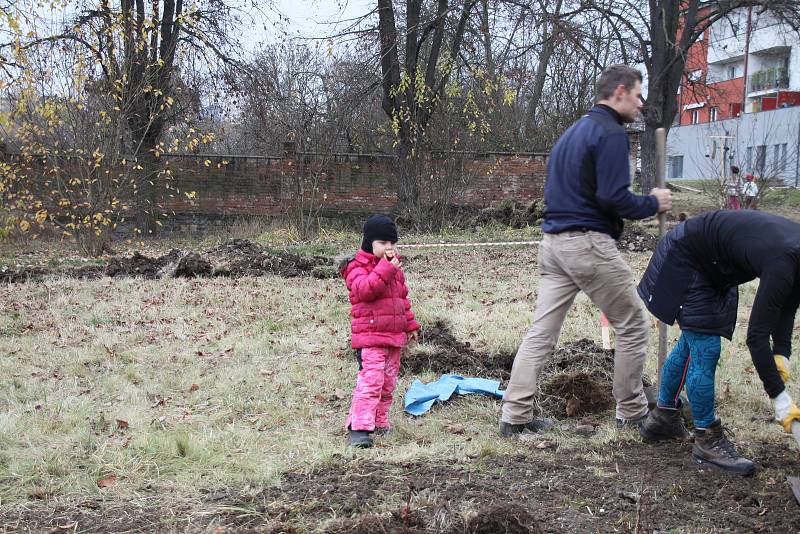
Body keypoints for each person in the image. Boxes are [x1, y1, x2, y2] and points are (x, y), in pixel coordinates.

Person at [498, 64, 673, 437]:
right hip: (587, 244)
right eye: (638, 95)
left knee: (541, 333)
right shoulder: (610, 133)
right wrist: (652, 203)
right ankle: (632, 411)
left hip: (553, 245)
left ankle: (514, 417)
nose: (640, 104)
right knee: (632, 324)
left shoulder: (572, 133)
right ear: (621, 92)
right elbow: (613, 198)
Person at [637, 210, 800, 475]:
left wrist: (782, 354)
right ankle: (707, 439)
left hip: (711, 263)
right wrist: (781, 401)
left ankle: (663, 418)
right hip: (686, 258)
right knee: (705, 346)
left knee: (692, 343)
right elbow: (756, 337)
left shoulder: (796, 255)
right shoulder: (784, 260)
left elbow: (788, 306)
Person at [337, 215, 420, 448]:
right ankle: (359, 428)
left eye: (392, 244)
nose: (389, 248)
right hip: (371, 337)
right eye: (383, 243)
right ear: (369, 242)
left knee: (387, 383)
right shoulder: (355, 266)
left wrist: (410, 325)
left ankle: (379, 421)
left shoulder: (394, 268)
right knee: (371, 381)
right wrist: (386, 268)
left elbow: (401, 299)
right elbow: (365, 291)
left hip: (393, 336)